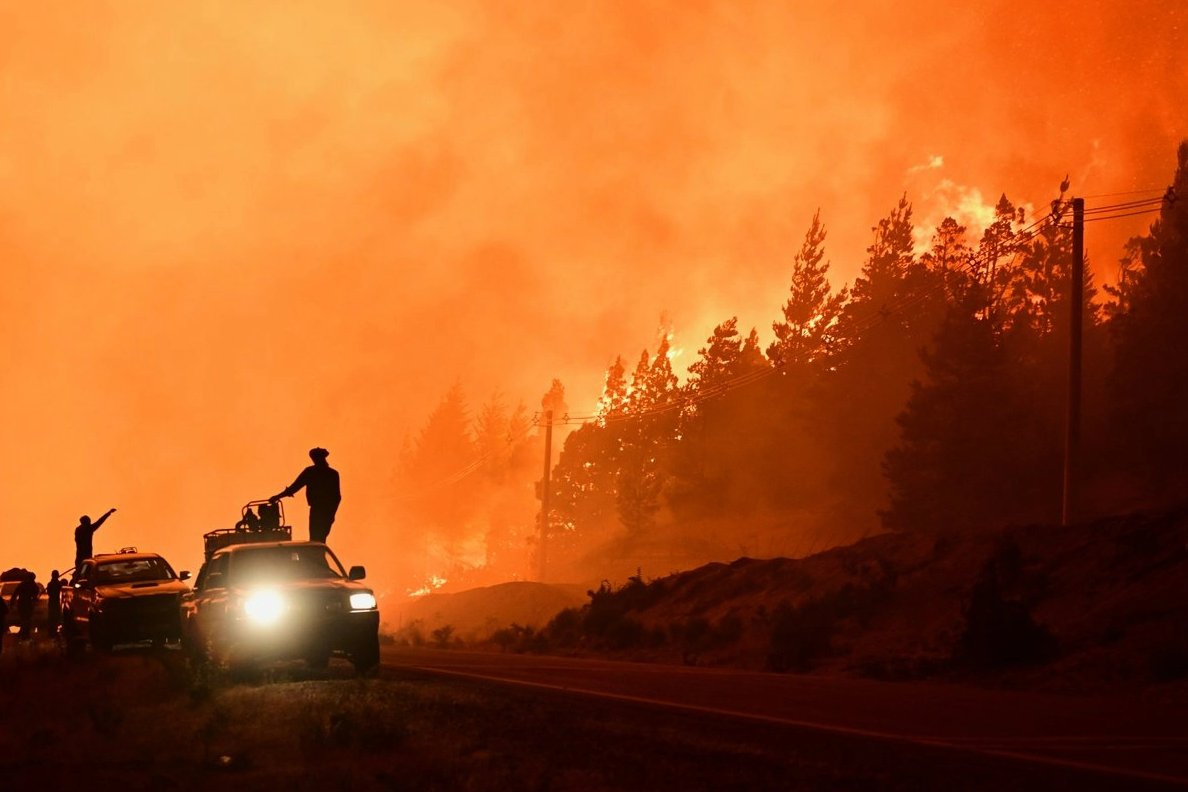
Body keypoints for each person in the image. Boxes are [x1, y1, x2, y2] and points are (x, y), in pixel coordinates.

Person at [270, 447, 341, 543]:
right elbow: (294, 487)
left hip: (320, 511)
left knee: (316, 539)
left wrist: (277, 497)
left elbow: (336, 497)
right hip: (325, 511)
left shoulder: (312, 472)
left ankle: (316, 556)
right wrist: (331, 514)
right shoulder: (331, 473)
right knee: (319, 538)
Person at [11, 572, 39, 640]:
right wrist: (35, 599)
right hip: (27, 604)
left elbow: (15, 593)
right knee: (27, 619)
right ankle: (25, 633)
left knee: (24, 619)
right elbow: (35, 596)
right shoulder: (33, 585)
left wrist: (12, 603)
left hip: (22, 603)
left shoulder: (22, 584)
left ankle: (23, 633)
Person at [45, 569, 63, 637]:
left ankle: (52, 632)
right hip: (55, 602)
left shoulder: (50, 584)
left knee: (52, 617)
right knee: (55, 617)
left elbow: (48, 592)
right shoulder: (58, 584)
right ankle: (53, 632)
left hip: (52, 602)